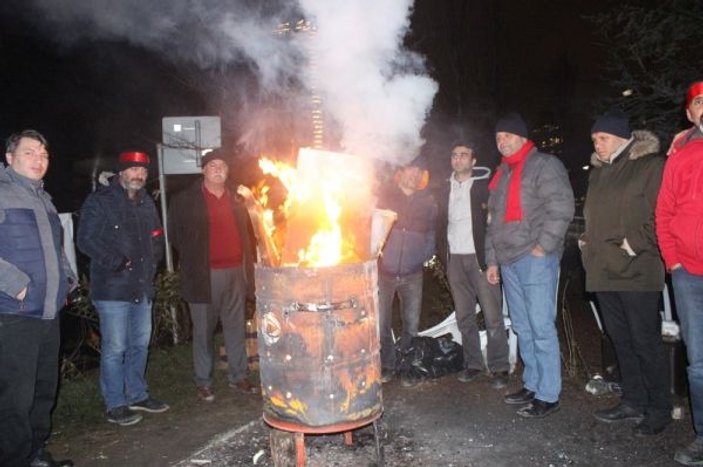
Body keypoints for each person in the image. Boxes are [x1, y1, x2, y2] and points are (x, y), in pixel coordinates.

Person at [582, 109, 670, 436]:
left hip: (637, 269)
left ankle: (659, 407)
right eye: (594, 139)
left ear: (622, 137)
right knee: (620, 339)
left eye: (602, 138)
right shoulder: (600, 172)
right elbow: (596, 216)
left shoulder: (650, 166)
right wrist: (586, 241)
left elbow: (662, 214)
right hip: (603, 269)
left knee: (644, 341)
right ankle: (633, 399)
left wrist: (634, 244)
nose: (597, 144)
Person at [485, 112, 574, 418]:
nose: (502, 141)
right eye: (498, 137)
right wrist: (492, 261)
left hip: (535, 259)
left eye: (507, 136)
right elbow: (492, 223)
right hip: (508, 261)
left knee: (540, 326)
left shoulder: (544, 165)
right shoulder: (502, 173)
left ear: (522, 137)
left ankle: (549, 393)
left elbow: (561, 207)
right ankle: (532, 383)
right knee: (522, 327)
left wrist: (543, 247)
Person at [0, 130, 76, 467]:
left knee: (44, 389)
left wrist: (67, 279)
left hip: (48, 311)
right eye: (30, 152)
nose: (39, 160)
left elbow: (54, 251)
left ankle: (35, 453)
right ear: (9, 157)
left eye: (44, 154)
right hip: (14, 314)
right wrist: (15, 283)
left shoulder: (44, 199)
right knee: (15, 396)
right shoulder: (2, 194)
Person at [77, 151, 169, 427]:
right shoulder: (101, 201)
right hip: (112, 289)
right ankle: (115, 403)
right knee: (115, 347)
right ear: (121, 173)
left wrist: (152, 265)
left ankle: (137, 394)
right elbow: (85, 239)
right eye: (133, 170)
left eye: (143, 171)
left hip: (142, 287)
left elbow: (156, 237)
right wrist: (116, 262)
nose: (139, 175)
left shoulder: (146, 204)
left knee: (139, 344)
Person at [168, 149, 258, 402]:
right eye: (212, 165)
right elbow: (175, 235)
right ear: (204, 170)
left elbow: (249, 237)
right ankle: (204, 382)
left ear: (228, 171)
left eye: (223, 165)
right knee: (203, 331)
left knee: (235, 327)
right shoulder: (185, 199)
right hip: (204, 276)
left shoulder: (238, 200)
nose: (218, 169)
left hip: (235, 274)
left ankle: (239, 375)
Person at [436, 141, 510, 389]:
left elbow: (495, 224)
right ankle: (474, 364)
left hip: (480, 259)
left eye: (463, 155)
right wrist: (442, 257)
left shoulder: (483, 188)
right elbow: (439, 225)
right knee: (464, 315)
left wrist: (494, 260)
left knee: (493, 315)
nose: (458, 159)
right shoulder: (443, 190)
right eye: (454, 155)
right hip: (454, 259)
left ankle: (500, 367)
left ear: (473, 161)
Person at [656, 80, 703, 464]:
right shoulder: (681, 156)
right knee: (699, 362)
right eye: (699, 102)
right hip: (689, 273)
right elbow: (664, 212)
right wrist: (673, 262)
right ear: (689, 112)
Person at [377, 155, 437, 387]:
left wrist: (422, 255)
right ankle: (387, 364)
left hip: (413, 272)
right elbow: (372, 227)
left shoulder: (427, 201)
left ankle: (407, 365)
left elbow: (432, 232)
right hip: (385, 271)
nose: (415, 175)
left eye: (419, 172)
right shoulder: (386, 196)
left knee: (411, 323)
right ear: (401, 172)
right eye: (411, 170)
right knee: (382, 322)